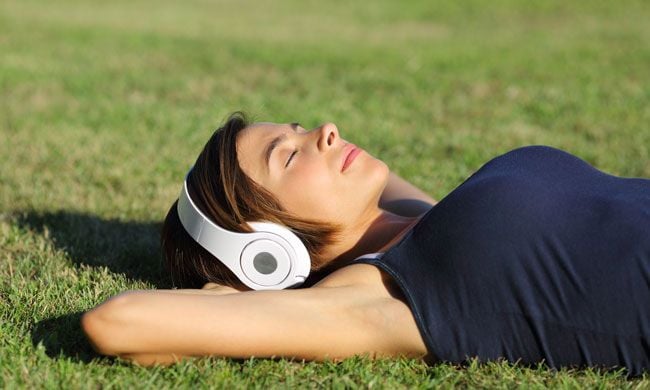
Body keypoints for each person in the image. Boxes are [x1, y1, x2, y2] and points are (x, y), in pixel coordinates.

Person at [81, 112, 649, 376]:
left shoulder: (414, 219)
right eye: (290, 153)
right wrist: (231, 293)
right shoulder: (375, 301)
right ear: (267, 252)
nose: (324, 130)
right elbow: (118, 322)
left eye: (299, 128)